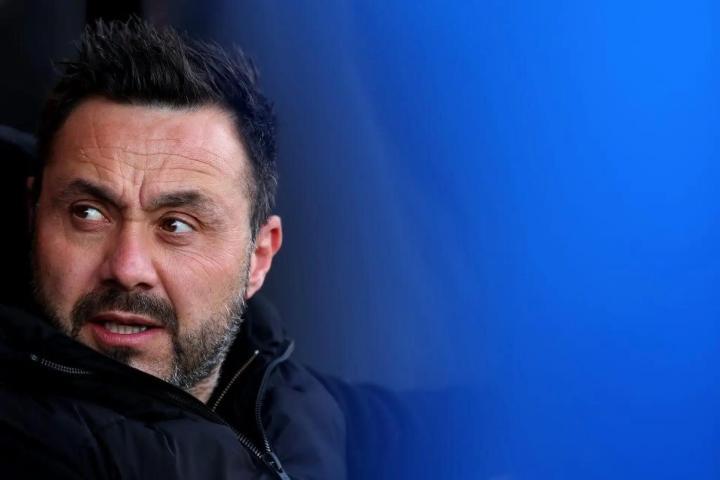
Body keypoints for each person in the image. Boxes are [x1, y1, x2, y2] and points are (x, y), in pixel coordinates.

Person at [0, 18, 346, 479]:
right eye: (88, 213)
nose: (127, 268)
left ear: (259, 257)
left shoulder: (283, 390)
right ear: (33, 214)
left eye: (176, 225)